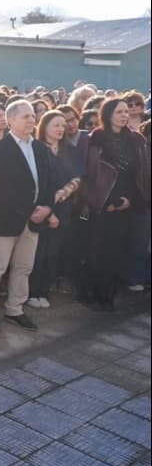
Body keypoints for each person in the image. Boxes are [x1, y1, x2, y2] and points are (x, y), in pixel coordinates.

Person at [0, 100, 53, 333]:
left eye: (33, 116)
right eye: (25, 116)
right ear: (10, 121)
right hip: (6, 218)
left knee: (24, 267)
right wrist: (28, 209)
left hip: (34, 220)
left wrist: (47, 207)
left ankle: (15, 308)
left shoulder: (41, 148)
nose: (31, 120)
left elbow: (48, 182)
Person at [81, 98, 150, 310]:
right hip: (100, 204)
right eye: (119, 111)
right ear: (108, 114)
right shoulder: (96, 138)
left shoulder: (136, 139)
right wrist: (104, 201)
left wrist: (129, 200)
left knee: (115, 251)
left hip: (126, 202)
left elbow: (140, 174)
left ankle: (106, 295)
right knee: (95, 250)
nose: (124, 115)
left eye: (126, 111)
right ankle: (89, 293)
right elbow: (89, 174)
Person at [26, 110, 84, 309]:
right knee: (37, 252)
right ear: (45, 127)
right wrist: (49, 208)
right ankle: (32, 292)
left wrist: (61, 194)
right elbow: (37, 181)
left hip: (63, 208)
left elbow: (77, 178)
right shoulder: (36, 148)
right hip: (40, 207)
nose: (61, 129)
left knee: (53, 252)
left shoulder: (71, 150)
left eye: (63, 125)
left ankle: (44, 291)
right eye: (56, 125)